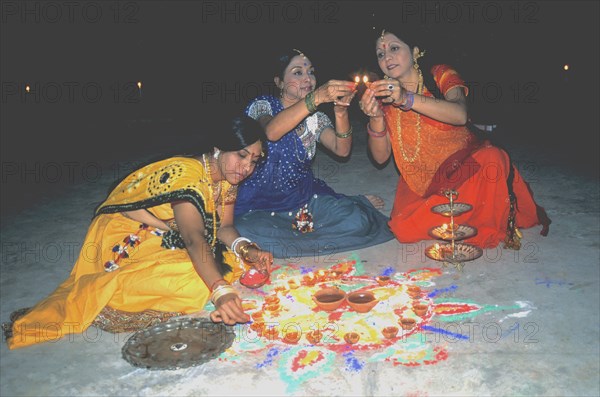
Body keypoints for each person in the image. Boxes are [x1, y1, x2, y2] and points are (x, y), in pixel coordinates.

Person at [7, 115, 273, 349]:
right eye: (241, 155)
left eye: (254, 160)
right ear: (218, 149)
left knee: (228, 263)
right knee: (200, 277)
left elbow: (224, 227)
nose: (246, 167)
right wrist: (221, 291)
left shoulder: (227, 180)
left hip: (167, 231)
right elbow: (193, 238)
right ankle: (104, 292)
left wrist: (246, 248)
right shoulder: (188, 177)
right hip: (128, 232)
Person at [359, 30, 550, 249]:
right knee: (403, 228)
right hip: (422, 180)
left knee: (493, 158)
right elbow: (381, 158)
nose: (387, 58)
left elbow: (460, 115)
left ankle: (472, 214)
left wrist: (406, 98)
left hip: (466, 170)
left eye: (394, 48)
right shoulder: (383, 95)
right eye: (380, 54)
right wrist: (375, 118)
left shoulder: (439, 75)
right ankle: (466, 215)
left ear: (415, 52)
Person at [233, 49, 394, 259]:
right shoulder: (263, 106)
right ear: (279, 82)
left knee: (358, 220)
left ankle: (297, 236)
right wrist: (316, 97)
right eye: (297, 73)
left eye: (311, 72)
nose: (308, 78)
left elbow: (342, 149)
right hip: (260, 206)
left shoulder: (314, 118)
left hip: (302, 201)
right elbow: (271, 132)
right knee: (246, 231)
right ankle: (300, 235)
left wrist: (340, 112)